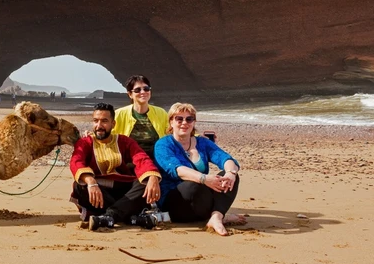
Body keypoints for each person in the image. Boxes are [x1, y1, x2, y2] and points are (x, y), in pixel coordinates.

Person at [153, 102, 246, 236]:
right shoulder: (163, 144)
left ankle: (216, 217)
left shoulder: (202, 143)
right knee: (193, 186)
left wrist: (230, 173)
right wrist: (204, 179)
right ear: (171, 122)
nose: (184, 123)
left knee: (230, 177)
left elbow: (225, 158)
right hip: (175, 202)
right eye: (179, 119)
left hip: (199, 197)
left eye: (189, 119)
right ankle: (218, 214)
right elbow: (176, 169)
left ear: (194, 122)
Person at [69, 103, 162, 231]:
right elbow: (76, 161)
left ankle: (110, 216)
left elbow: (141, 158)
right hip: (99, 192)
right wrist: (91, 181)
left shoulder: (125, 141)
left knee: (145, 184)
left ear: (113, 124)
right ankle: (129, 216)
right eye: (96, 121)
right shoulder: (85, 142)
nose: (99, 126)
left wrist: (152, 176)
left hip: (124, 191)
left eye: (104, 121)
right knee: (79, 185)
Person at [113, 75, 168, 163]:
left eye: (146, 89)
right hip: (130, 159)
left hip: (157, 158)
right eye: (137, 90)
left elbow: (173, 132)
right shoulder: (119, 114)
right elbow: (108, 135)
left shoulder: (161, 113)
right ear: (130, 94)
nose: (143, 92)